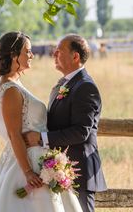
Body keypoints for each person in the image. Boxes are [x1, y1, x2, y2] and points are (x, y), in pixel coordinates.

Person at [0, 32, 82, 212]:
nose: (32, 55)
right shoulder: (10, 90)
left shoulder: (16, 84)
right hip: (26, 162)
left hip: (39, 159)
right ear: (13, 55)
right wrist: (27, 172)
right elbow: (13, 134)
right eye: (28, 51)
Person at [23, 34, 107, 212]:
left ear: (75, 56)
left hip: (79, 172)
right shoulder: (67, 84)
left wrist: (41, 138)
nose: (54, 53)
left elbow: (81, 132)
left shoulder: (85, 87)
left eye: (59, 51)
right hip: (60, 170)